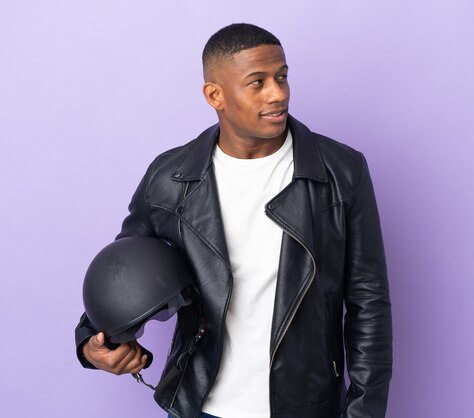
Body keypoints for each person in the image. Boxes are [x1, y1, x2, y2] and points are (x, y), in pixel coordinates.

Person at [75, 23, 392, 418]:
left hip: (305, 405)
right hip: (200, 405)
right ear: (215, 95)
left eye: (282, 77)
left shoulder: (341, 172)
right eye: (257, 82)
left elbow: (368, 303)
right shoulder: (170, 178)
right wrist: (93, 341)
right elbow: (123, 274)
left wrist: (363, 412)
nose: (278, 93)